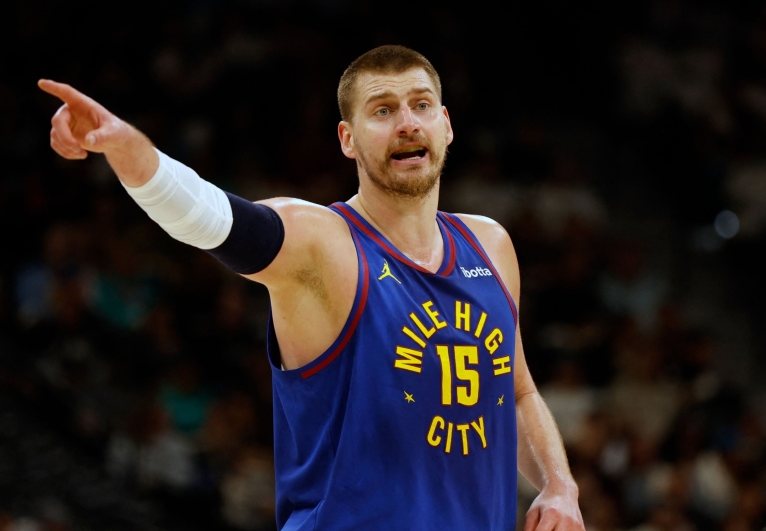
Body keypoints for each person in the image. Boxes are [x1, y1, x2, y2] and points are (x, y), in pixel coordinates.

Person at [39, 45, 584, 531]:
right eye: (383, 110)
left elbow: (516, 392)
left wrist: (560, 485)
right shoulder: (321, 243)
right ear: (347, 139)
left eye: (421, 105)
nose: (407, 123)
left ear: (446, 124)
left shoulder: (490, 245)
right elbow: (212, 217)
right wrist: (130, 150)